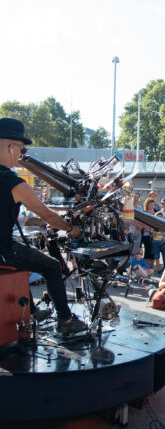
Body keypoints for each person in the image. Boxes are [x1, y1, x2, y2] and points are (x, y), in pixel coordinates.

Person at [0, 117, 86, 335]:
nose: (22, 154)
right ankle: (66, 321)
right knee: (53, 266)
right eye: (21, 148)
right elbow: (46, 214)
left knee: (25, 258)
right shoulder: (13, 182)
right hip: (3, 249)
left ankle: (31, 310)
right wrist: (70, 228)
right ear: (11, 147)